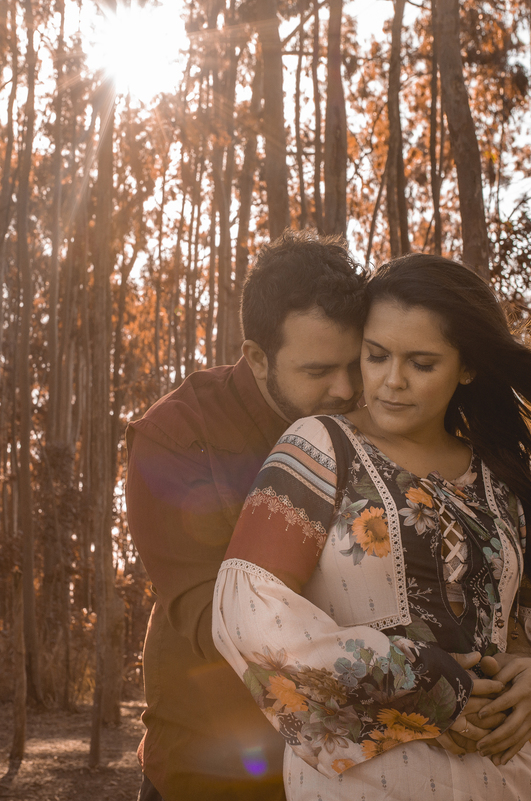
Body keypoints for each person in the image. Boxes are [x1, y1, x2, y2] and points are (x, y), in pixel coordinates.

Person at [213, 253, 531, 800]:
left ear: (465, 367)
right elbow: (248, 607)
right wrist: (422, 687)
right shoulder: (319, 447)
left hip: (511, 779)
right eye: (376, 356)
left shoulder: (507, 480)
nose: (391, 381)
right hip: (371, 784)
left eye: (422, 364)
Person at [125, 231, 367, 801]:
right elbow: (216, 623)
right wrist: (406, 668)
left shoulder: (377, 414)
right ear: (257, 357)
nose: (346, 389)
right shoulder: (176, 435)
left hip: (358, 772)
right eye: (318, 371)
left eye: (356, 364)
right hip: (212, 767)